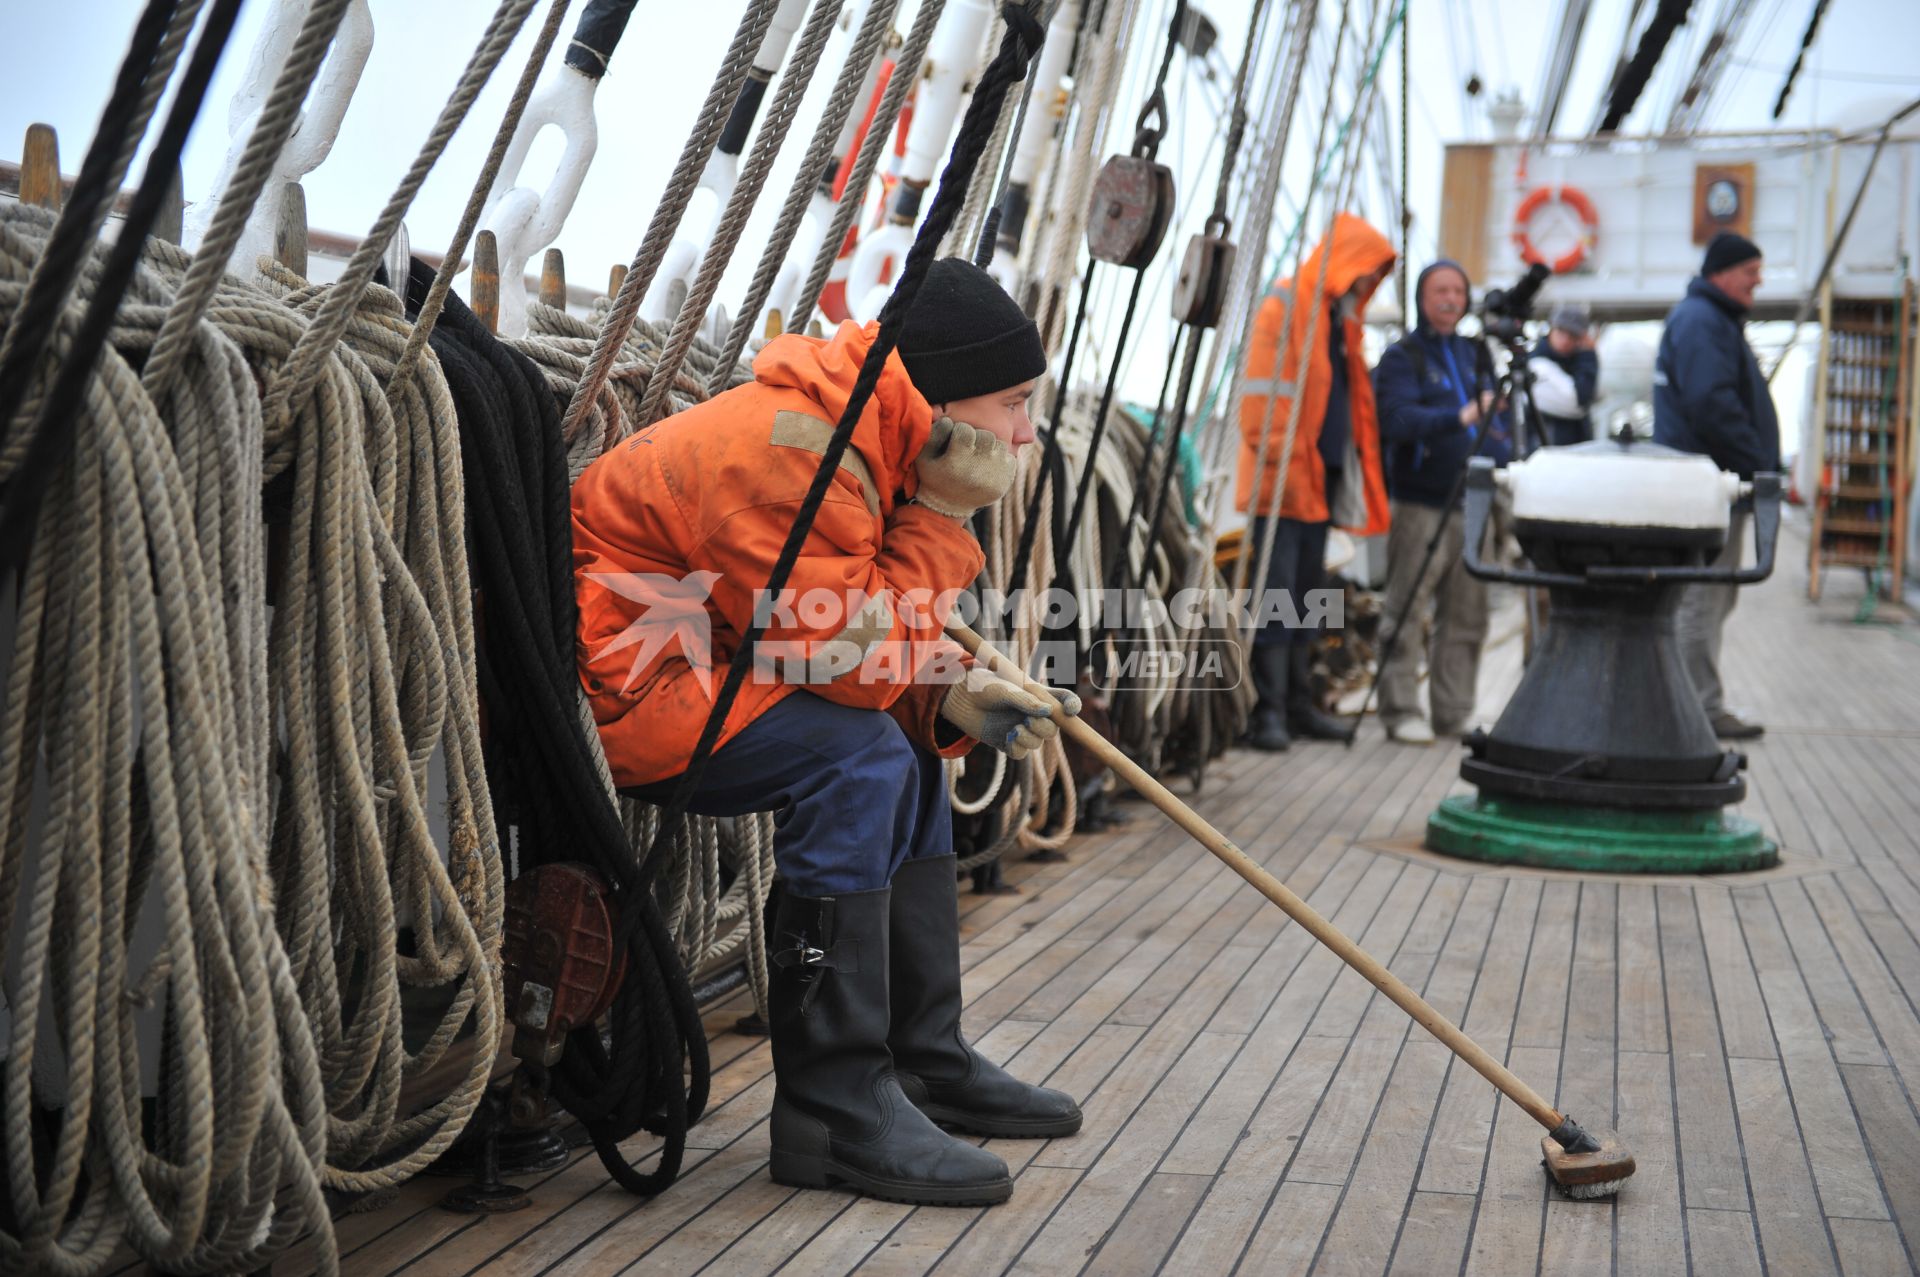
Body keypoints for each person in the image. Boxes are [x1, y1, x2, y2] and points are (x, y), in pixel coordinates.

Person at [571, 259, 1084, 1208]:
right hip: (638, 672)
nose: (1022, 432)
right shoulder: (794, 454)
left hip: (723, 650)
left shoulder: (878, 431)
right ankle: (832, 1107)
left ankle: (919, 1058)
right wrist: (939, 512)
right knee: (860, 759)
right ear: (942, 393)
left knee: (912, 743)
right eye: (1013, 402)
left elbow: (854, 634)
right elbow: (851, 661)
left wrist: (947, 699)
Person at [1234, 211, 1396, 751]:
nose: (1368, 286)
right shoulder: (1286, 302)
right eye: (1366, 274)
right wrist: (1284, 459)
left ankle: (1300, 704)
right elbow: (1260, 394)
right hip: (1283, 483)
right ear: (1346, 264)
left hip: (1320, 482)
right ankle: (1268, 713)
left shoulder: (1335, 319)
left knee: (1310, 598)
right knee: (1277, 599)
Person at [1371, 259, 1512, 745]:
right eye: (1440, 291)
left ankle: (1453, 713)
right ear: (1422, 298)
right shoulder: (1402, 358)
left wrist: (1501, 448)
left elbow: (1496, 419)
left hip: (1475, 503)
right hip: (1422, 502)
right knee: (1406, 608)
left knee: (1469, 612)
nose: (1451, 299)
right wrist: (1457, 418)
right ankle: (1400, 708)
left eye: (1458, 290)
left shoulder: (1478, 354)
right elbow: (1396, 420)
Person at [1653, 231, 1779, 740]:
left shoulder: (1711, 320)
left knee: (1712, 598)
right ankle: (1691, 711)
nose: (1758, 281)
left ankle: (1697, 703)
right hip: (1709, 488)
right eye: (1751, 272)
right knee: (1701, 600)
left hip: (1715, 485)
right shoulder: (1704, 322)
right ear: (1723, 273)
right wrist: (1758, 465)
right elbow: (1711, 405)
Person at [1528, 303, 1599, 448]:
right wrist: (1588, 357)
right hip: (1542, 450)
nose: (1565, 340)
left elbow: (1584, 396)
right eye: (1561, 331)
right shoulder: (1536, 363)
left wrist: (1587, 355)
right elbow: (1578, 401)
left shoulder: (1580, 360)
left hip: (1576, 448)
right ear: (1551, 329)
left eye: (1573, 335)